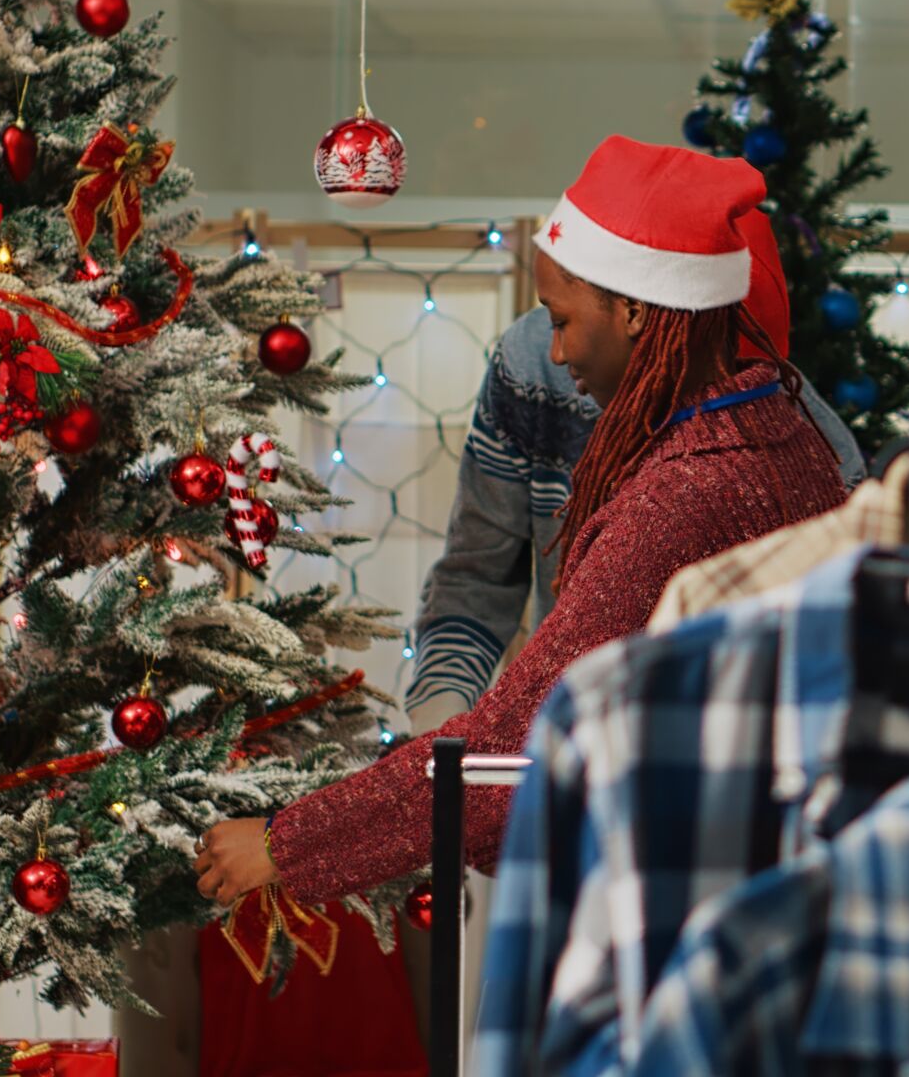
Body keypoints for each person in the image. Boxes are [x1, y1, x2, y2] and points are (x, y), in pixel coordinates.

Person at [194, 136, 852, 904]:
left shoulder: (681, 497)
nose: (559, 351)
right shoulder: (781, 429)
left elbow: (509, 755)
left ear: (638, 309)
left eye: (564, 320)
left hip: (679, 905)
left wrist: (285, 842)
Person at [401, 218, 865, 735]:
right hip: (543, 746)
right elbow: (477, 575)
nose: (559, 351)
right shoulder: (534, 365)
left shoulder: (806, 449)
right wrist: (438, 725)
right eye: (555, 320)